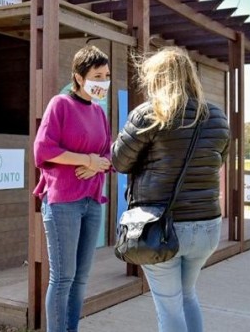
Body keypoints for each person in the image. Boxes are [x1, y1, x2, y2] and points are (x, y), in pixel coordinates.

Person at [112, 47, 229, 332]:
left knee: (169, 306)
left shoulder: (149, 114)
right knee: (188, 296)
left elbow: (119, 161)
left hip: (161, 226)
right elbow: (218, 161)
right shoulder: (216, 116)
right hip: (207, 226)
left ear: (158, 78)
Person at [33, 45, 112, 332]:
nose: (103, 82)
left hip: (92, 201)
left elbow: (109, 155)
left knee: (80, 278)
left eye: (106, 76)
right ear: (79, 77)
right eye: (97, 76)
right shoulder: (60, 104)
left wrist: (96, 164)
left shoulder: (100, 113)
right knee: (63, 277)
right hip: (63, 201)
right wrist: (87, 159)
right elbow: (43, 149)